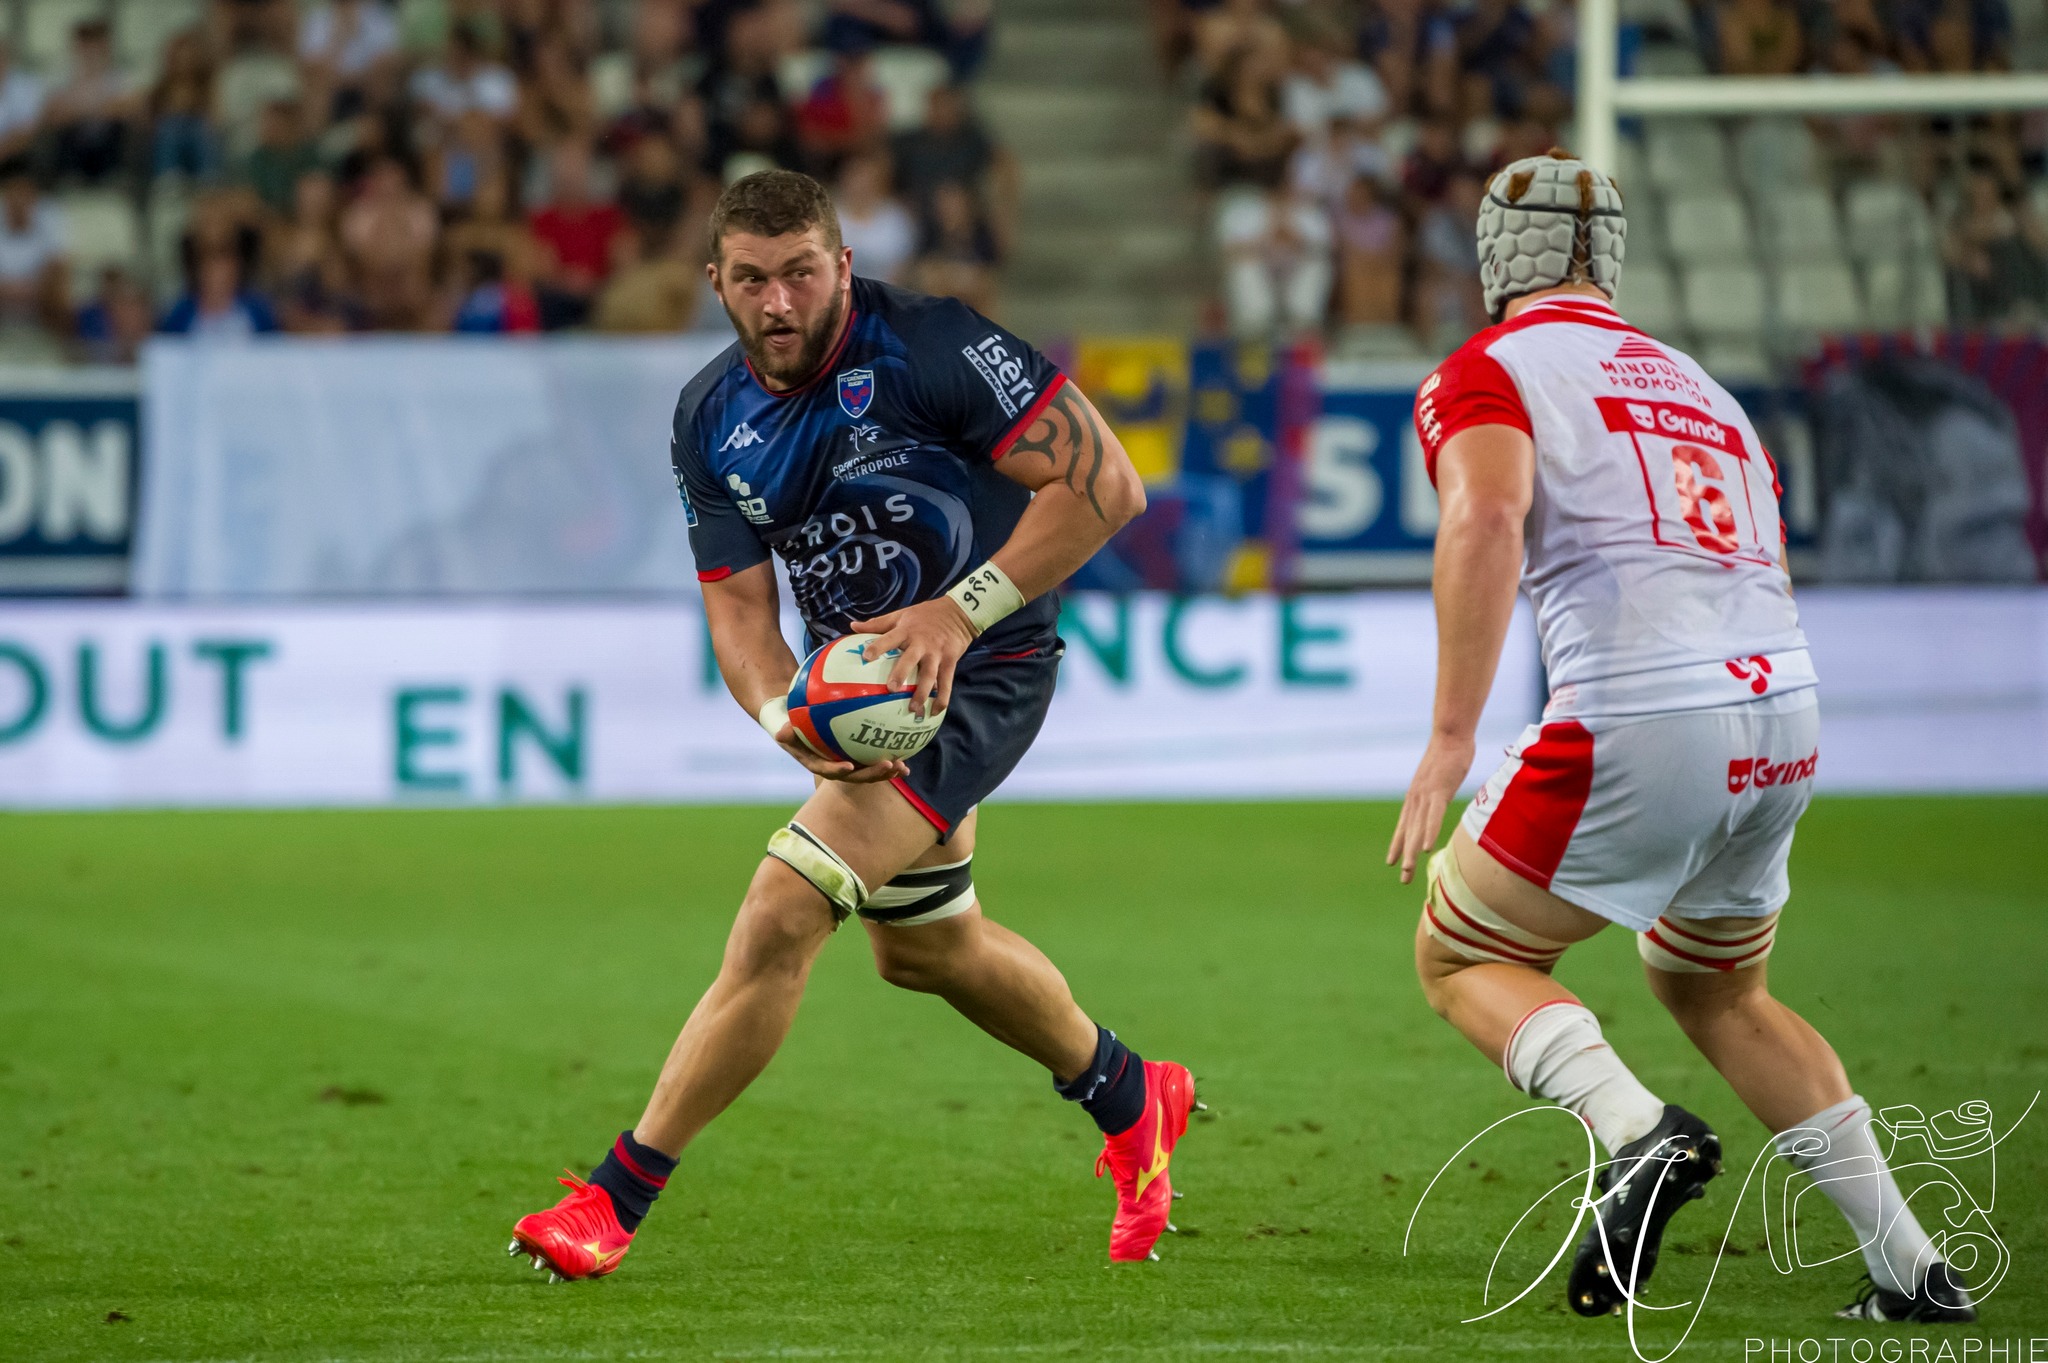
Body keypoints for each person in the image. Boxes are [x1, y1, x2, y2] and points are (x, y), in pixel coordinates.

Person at [507, 168, 1198, 1280]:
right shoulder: (708, 416)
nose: (776, 302)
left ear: (838, 263)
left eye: (796, 274)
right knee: (926, 949)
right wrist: (782, 706)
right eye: (749, 281)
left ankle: (613, 1196)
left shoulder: (932, 346)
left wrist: (956, 613)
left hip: (981, 665)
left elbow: (1108, 486)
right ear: (715, 284)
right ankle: (1132, 1092)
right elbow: (736, 605)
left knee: (785, 908)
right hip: (865, 699)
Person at [1386, 149, 1978, 1327]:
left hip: (1638, 709)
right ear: (1607, 257)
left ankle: (1634, 1131)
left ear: (1496, 256)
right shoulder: (1703, 386)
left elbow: (1487, 513)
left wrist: (1451, 733)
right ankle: (1911, 1267)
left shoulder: (1485, 369)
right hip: (1782, 710)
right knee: (1714, 988)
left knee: (1460, 957)